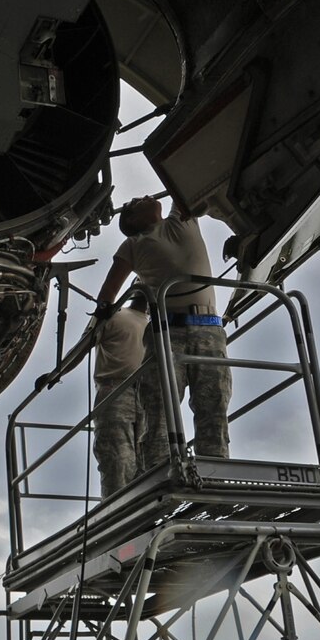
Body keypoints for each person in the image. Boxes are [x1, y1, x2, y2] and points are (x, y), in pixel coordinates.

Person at [95, 194, 230, 465]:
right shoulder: (133, 244)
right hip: (168, 332)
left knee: (213, 404)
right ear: (132, 220)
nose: (142, 196)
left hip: (209, 328)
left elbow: (180, 185)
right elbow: (108, 293)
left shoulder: (181, 218)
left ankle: (216, 465)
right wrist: (105, 311)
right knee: (159, 408)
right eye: (133, 203)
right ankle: (159, 468)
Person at [79, 288, 148, 498]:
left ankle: (146, 515)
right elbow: (82, 347)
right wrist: (57, 372)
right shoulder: (114, 315)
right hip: (116, 390)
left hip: (148, 395)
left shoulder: (156, 323)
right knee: (118, 462)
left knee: (150, 463)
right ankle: (116, 514)